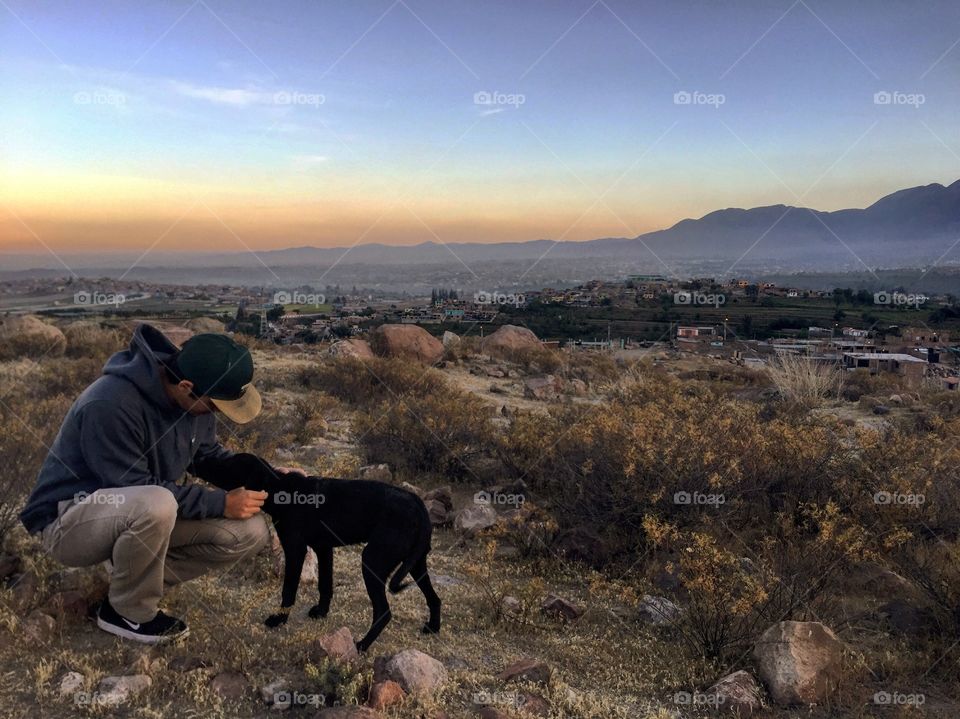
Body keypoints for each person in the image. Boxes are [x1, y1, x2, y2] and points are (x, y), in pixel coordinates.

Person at [19, 323, 293, 644]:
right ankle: (127, 612)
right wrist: (220, 503)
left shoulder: (193, 402)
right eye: (214, 405)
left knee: (250, 531)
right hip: (67, 523)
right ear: (186, 386)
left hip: (132, 514)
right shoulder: (111, 403)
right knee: (158, 503)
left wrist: (271, 477)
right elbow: (131, 486)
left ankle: (128, 577)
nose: (215, 414)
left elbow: (207, 457)